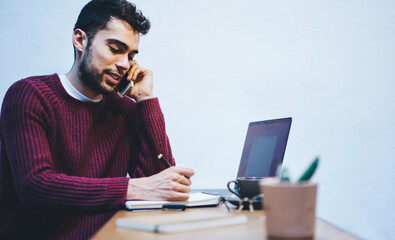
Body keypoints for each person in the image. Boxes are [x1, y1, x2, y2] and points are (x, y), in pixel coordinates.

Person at [0, 0, 194, 239]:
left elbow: (158, 182)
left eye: (131, 55)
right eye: (115, 48)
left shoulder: (124, 109)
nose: (125, 64)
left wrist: (146, 100)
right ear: (80, 40)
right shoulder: (30, 95)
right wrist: (133, 188)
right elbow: (36, 187)